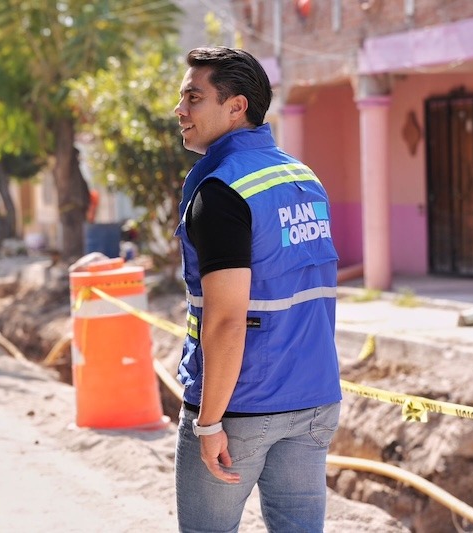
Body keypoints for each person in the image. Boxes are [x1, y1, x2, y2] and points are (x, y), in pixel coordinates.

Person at [172, 47, 342, 532]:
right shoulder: (302, 178)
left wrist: (208, 423)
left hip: (241, 407)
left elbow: (226, 320)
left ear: (236, 105)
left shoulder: (222, 190)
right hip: (313, 401)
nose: (180, 110)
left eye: (193, 97)